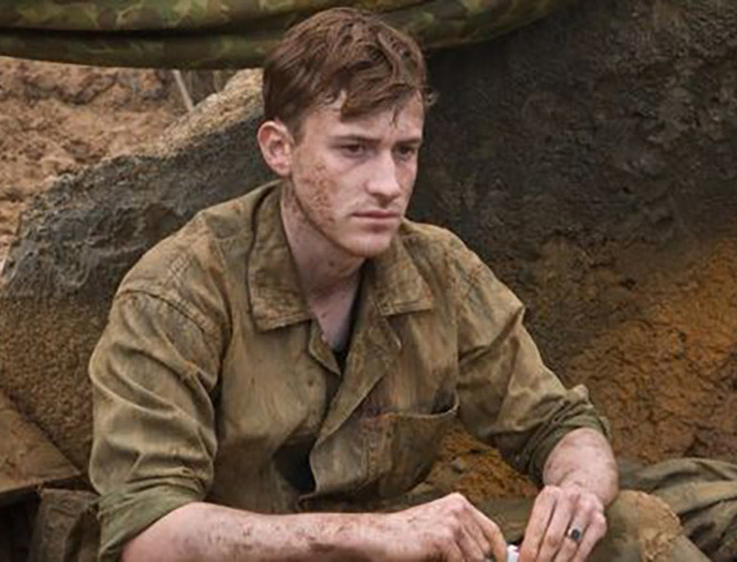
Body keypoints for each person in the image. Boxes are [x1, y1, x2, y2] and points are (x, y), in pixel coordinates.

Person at [89, 7, 628, 562]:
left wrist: (576, 494)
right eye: (353, 149)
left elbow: (558, 423)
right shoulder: (178, 293)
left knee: (628, 523)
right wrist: (369, 534)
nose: (387, 185)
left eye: (405, 151)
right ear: (279, 148)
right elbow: (147, 536)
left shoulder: (438, 269)